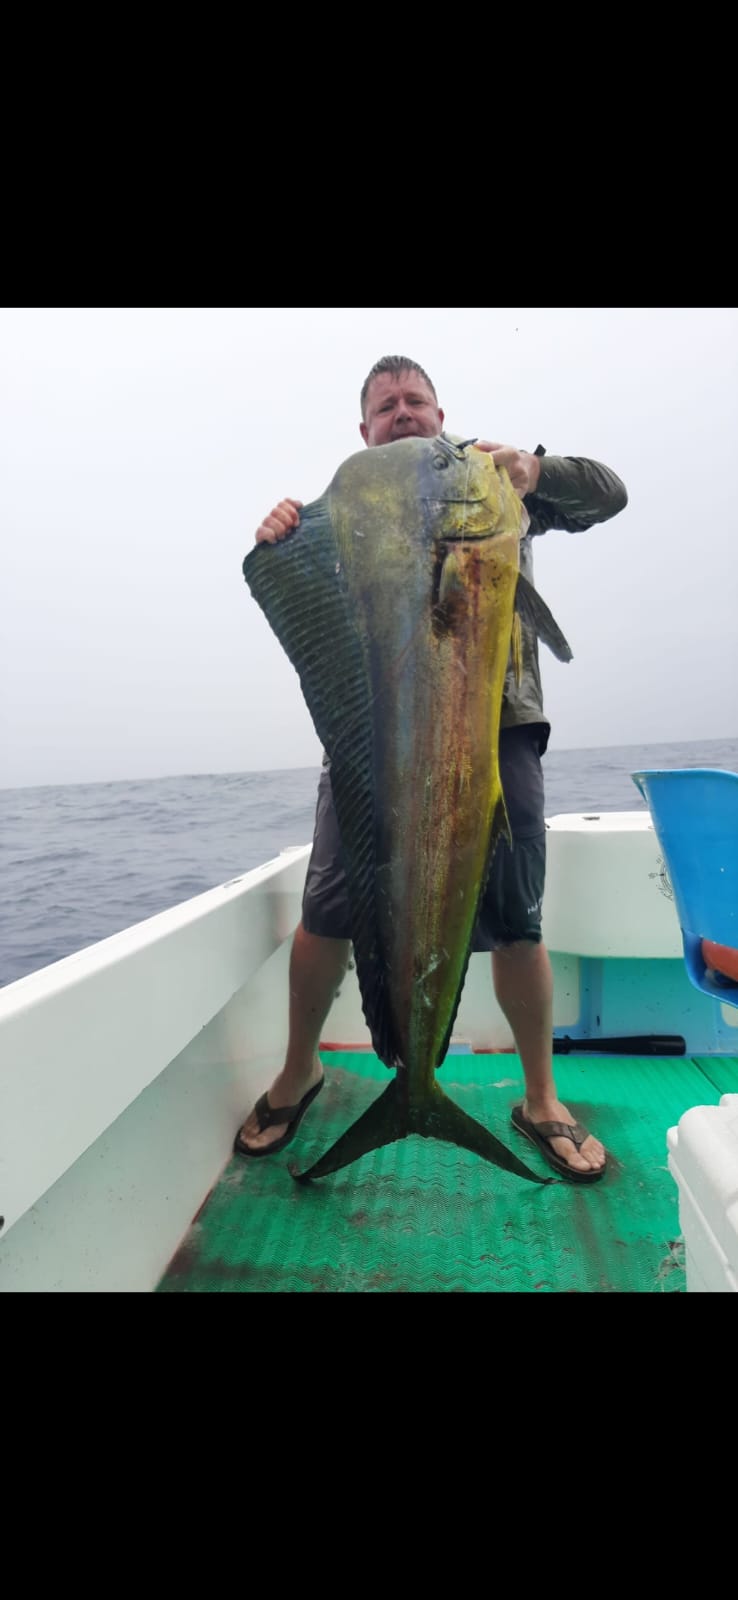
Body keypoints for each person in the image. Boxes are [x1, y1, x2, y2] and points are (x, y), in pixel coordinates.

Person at [235, 355, 628, 1182]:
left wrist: (536, 468)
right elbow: (285, 567)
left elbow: (608, 492)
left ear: (441, 412)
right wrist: (283, 530)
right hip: (369, 744)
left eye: (416, 400)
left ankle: (541, 1097)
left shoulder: (490, 482)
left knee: (518, 916)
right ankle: (300, 1069)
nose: (404, 413)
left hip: (501, 728)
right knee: (329, 907)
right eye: (386, 405)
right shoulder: (344, 516)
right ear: (365, 428)